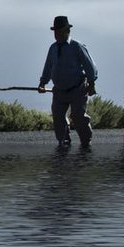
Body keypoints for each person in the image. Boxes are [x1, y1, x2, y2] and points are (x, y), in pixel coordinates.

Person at [38, 15, 97, 150]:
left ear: (67, 31)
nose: (56, 34)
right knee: (58, 117)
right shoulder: (53, 48)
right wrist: (42, 83)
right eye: (55, 31)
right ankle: (64, 143)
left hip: (78, 89)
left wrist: (92, 83)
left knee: (78, 116)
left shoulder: (77, 47)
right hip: (58, 90)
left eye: (59, 31)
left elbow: (90, 67)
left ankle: (86, 143)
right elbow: (48, 66)